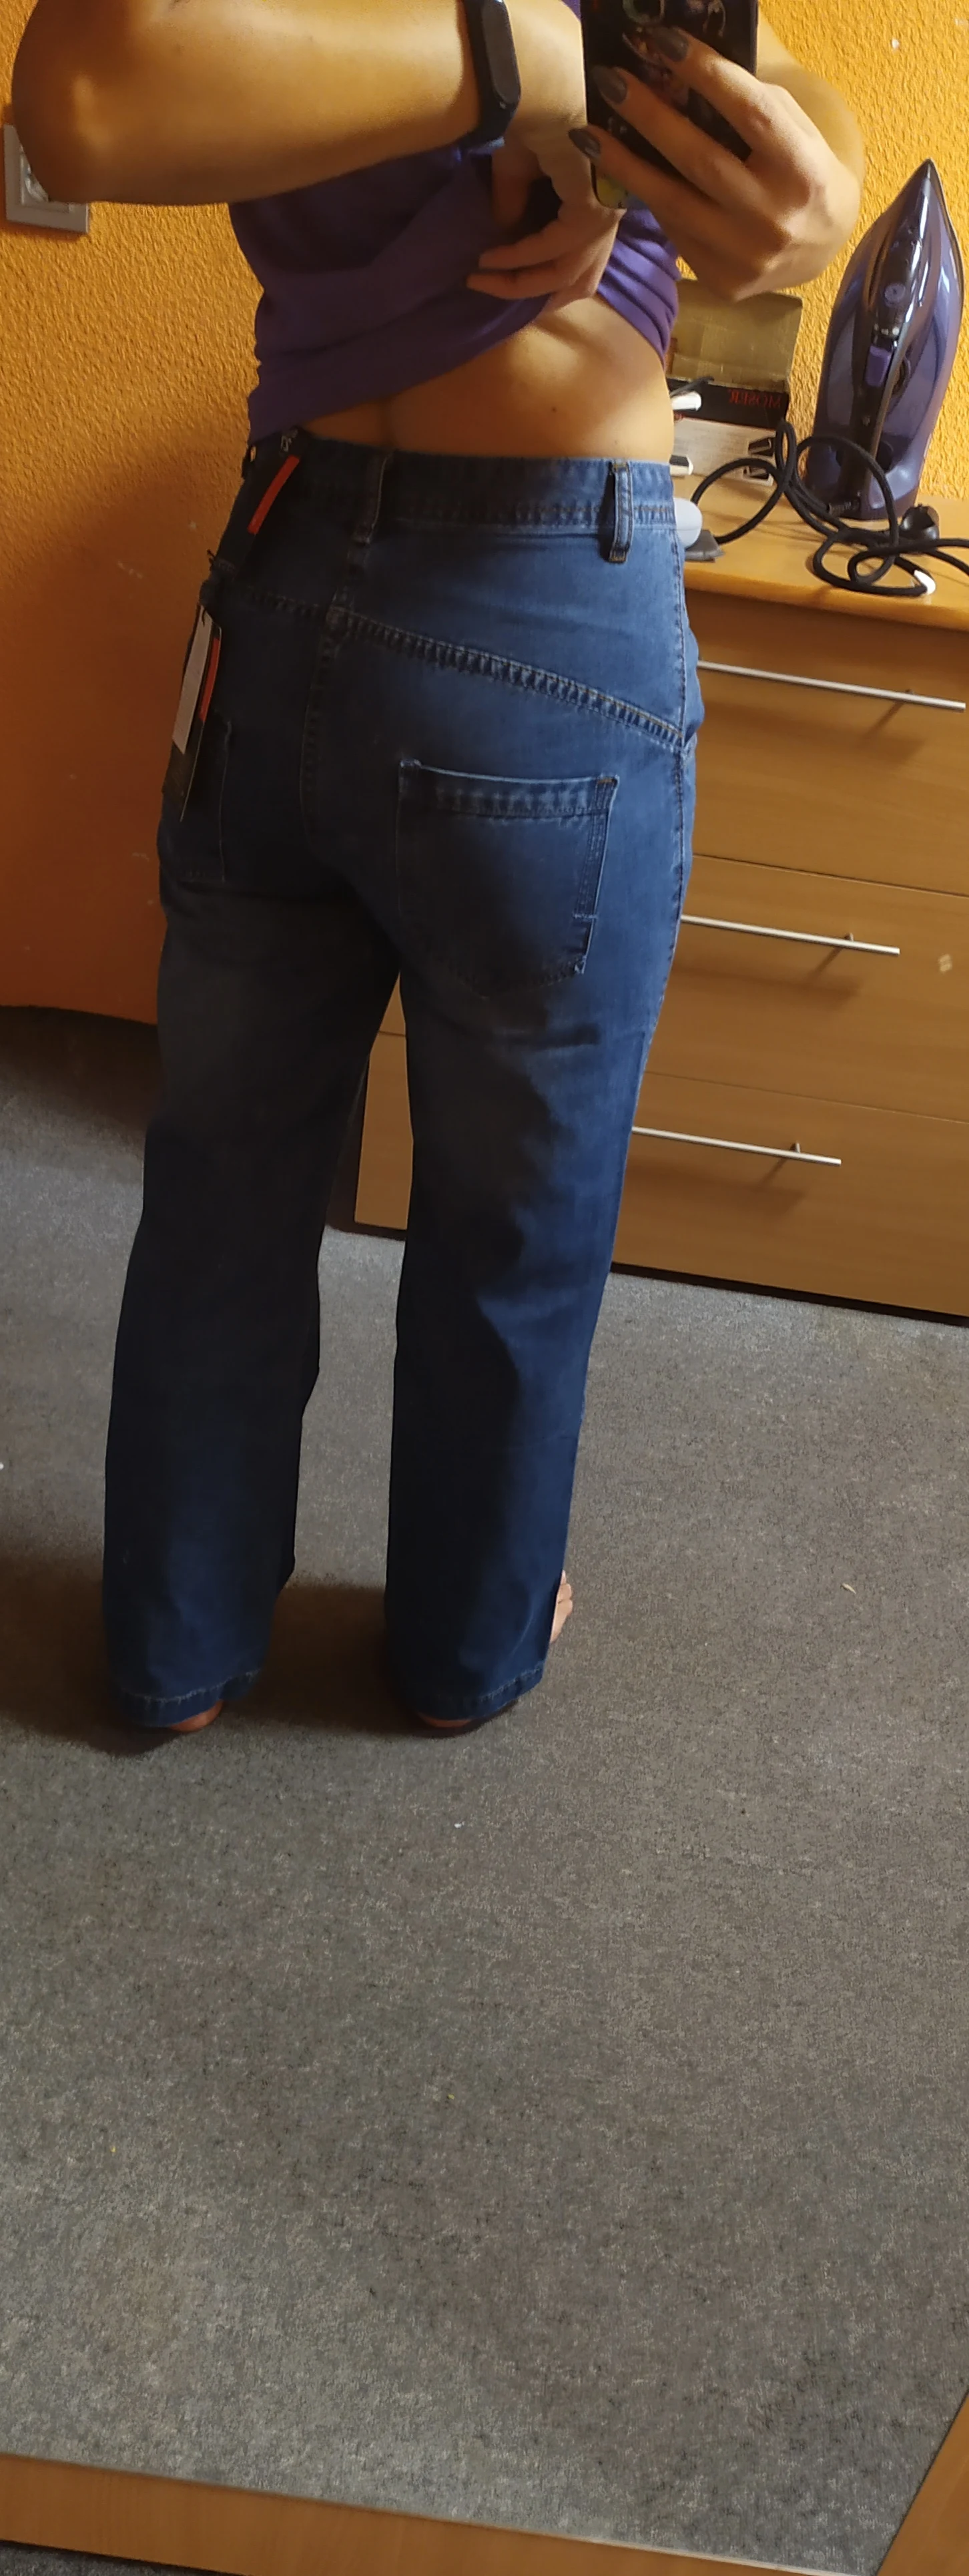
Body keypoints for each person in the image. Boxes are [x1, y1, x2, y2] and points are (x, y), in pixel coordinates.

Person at [13, 0, 864, 1736]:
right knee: (516, 1213)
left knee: (223, 1179)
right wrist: (551, 68)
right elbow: (84, 100)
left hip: (286, 564)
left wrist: (768, 173)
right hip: (548, 597)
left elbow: (85, 91)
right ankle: (469, 1644)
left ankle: (176, 1644)